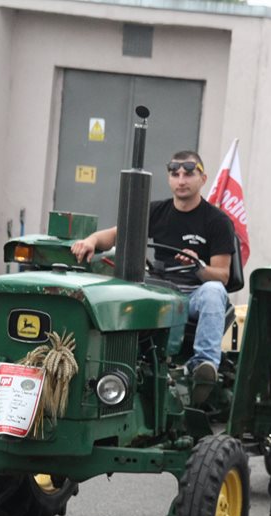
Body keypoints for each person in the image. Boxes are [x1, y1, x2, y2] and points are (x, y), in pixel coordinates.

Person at [71, 150, 235, 405]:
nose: (181, 180)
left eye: (189, 174)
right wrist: (91, 240)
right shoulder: (155, 211)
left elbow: (222, 275)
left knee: (214, 291)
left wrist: (197, 266)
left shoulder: (217, 221)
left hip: (194, 294)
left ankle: (202, 367)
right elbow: (114, 235)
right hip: (159, 289)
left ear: (203, 179)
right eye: (175, 174)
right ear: (169, 179)